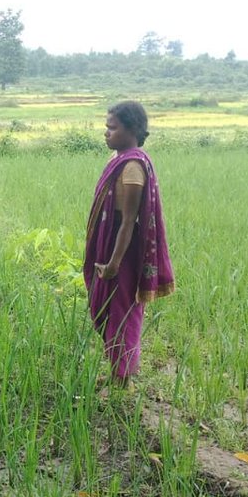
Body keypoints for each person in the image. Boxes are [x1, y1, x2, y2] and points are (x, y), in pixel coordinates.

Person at [83, 101, 174, 385]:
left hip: (122, 253)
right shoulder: (119, 161)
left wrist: (113, 263)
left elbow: (128, 221)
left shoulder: (132, 167)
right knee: (108, 311)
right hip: (111, 247)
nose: (106, 133)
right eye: (106, 127)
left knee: (121, 314)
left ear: (132, 130)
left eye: (113, 128)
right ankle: (118, 374)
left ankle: (122, 381)